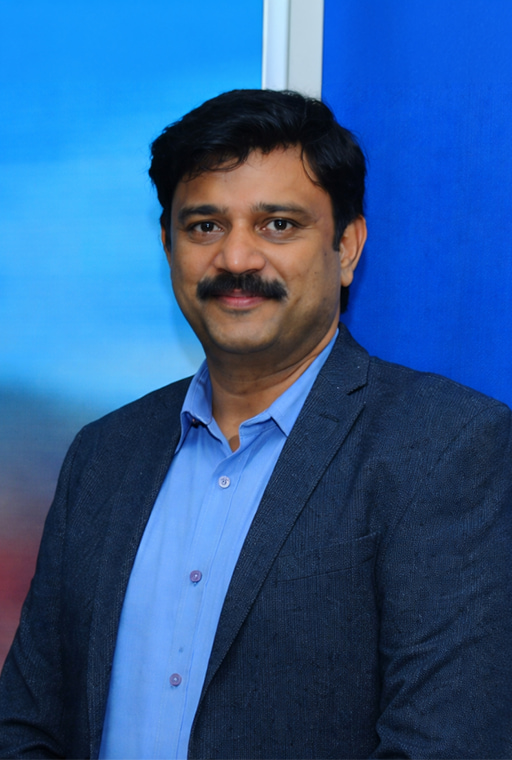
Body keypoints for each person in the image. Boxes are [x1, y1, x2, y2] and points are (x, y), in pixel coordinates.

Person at [0, 89, 511, 760]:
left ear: (347, 246)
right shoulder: (103, 454)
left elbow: (446, 745)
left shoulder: (445, 447)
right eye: (205, 226)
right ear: (167, 245)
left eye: (277, 224)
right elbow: (25, 723)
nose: (236, 260)